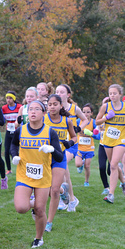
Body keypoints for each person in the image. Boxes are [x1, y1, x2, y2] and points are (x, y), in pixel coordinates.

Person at [10, 100, 64, 248]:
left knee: (40, 210)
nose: (32, 112)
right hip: (24, 175)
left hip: (42, 177)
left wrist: (52, 149)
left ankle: (38, 238)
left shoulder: (50, 132)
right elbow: (13, 144)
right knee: (21, 208)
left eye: (37, 109)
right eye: (30, 109)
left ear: (43, 113)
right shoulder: (20, 130)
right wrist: (14, 155)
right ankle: (32, 203)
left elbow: (60, 156)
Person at [43, 94, 77, 232]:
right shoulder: (43, 119)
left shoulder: (67, 121)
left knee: (54, 189)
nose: (52, 107)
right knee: (48, 190)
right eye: (50, 104)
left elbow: (75, 136)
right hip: (44, 158)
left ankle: (49, 222)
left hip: (59, 158)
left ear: (61, 105)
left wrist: (70, 142)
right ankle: (64, 191)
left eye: (55, 104)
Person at [55, 84, 87, 212]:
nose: (58, 93)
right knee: (63, 169)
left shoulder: (74, 108)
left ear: (68, 95)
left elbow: (85, 120)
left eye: (61, 92)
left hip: (71, 144)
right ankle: (71, 199)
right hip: (59, 144)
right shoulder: (54, 108)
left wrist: (78, 128)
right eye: (57, 91)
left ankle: (66, 198)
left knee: (62, 166)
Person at [96, 84, 125, 204]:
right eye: (110, 93)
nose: (112, 95)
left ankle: (111, 194)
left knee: (113, 165)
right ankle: (123, 183)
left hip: (121, 140)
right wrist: (107, 117)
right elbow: (97, 121)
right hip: (108, 140)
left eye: (114, 93)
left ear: (120, 94)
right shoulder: (105, 106)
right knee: (114, 166)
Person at [75, 103, 96, 186]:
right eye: (83, 112)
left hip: (89, 148)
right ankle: (81, 164)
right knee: (77, 164)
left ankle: (86, 181)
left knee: (87, 166)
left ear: (91, 113)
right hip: (79, 147)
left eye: (88, 112)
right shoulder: (78, 121)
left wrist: (91, 134)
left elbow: (97, 135)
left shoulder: (93, 122)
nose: (85, 114)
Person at [2, 91, 21, 174]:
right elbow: (1, 118)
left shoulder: (20, 107)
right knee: (6, 151)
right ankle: (9, 170)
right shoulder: (4, 108)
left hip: (17, 132)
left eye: (10, 98)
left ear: (14, 99)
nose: (8, 100)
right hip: (8, 131)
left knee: (13, 150)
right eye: (7, 98)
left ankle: (21, 165)